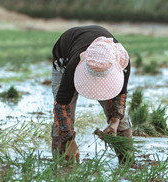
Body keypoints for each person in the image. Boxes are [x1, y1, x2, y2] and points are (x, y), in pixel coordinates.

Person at [51, 25, 132, 162]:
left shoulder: (121, 61)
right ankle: (63, 164)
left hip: (102, 57)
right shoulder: (73, 66)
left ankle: (127, 161)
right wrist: (68, 139)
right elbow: (62, 105)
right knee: (63, 119)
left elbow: (120, 97)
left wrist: (114, 122)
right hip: (65, 56)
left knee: (120, 120)